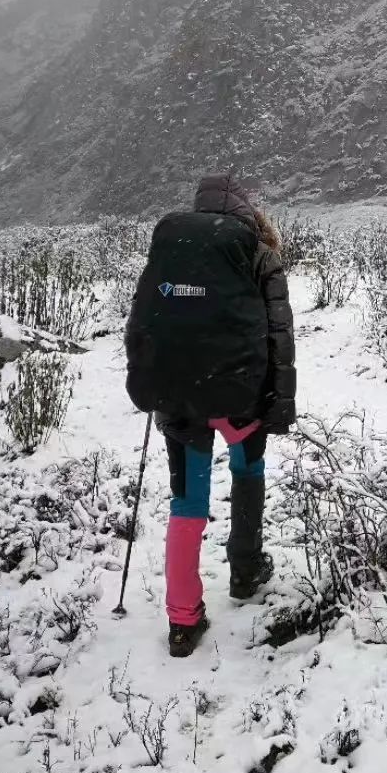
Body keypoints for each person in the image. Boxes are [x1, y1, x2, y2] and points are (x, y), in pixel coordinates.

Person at [124, 173, 296, 657]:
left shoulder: (170, 247)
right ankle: (244, 572)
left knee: (187, 503)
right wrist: (280, 403)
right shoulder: (257, 252)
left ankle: (182, 621)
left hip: (179, 402)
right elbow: (280, 334)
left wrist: (151, 381)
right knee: (248, 471)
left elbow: (144, 320)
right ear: (245, 210)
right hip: (240, 401)